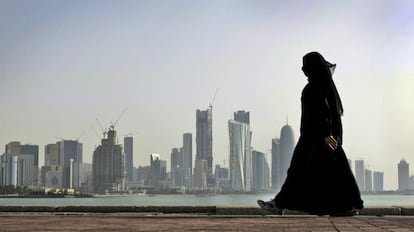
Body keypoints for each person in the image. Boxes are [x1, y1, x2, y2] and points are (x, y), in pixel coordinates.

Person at [258, 52, 363, 216]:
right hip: (321, 137)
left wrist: (327, 135)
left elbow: (323, 113)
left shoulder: (314, 88)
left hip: (315, 138)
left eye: (306, 65)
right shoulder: (322, 86)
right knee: (333, 171)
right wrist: (330, 136)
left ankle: (279, 204)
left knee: (300, 172)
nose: (303, 69)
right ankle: (344, 206)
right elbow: (329, 115)